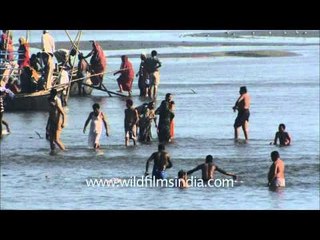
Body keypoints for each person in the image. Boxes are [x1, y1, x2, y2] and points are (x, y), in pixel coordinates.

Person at [47, 89, 66, 154]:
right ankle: (52, 153)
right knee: (51, 140)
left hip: (58, 121)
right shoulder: (50, 101)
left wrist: (63, 122)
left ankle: (64, 151)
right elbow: (50, 115)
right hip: (52, 121)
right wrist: (47, 125)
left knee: (56, 139)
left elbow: (63, 113)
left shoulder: (57, 101)